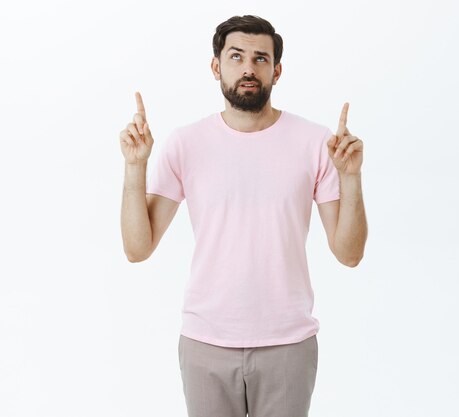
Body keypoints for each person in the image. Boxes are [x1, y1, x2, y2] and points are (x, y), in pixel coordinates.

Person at [119, 14, 367, 417]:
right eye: (236, 57)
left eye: (260, 58)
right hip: (206, 342)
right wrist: (135, 167)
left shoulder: (315, 142)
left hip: (287, 343)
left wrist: (351, 178)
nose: (248, 68)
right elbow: (137, 247)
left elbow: (349, 253)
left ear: (277, 70)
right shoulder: (186, 143)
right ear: (217, 66)